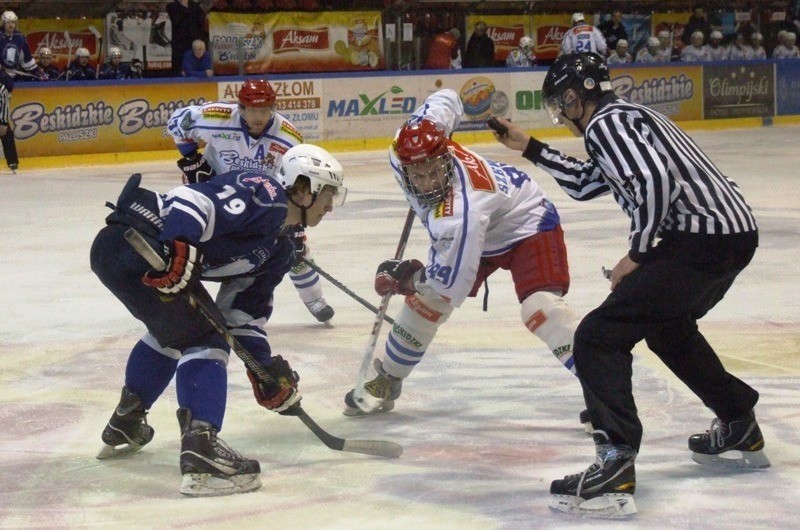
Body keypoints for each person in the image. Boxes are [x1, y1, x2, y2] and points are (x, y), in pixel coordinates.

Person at [492, 52, 768, 518]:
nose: (563, 111)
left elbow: (655, 181)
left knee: (598, 337)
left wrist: (637, 254)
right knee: (667, 327)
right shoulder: (625, 120)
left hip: (701, 240)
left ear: (578, 95)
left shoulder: (607, 124)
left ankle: (615, 460)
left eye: (563, 102)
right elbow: (584, 182)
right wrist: (529, 147)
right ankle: (738, 419)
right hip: (728, 236)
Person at [91, 144, 347, 496]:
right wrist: (181, 246)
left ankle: (127, 420)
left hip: (132, 258)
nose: (331, 206)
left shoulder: (280, 249)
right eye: (328, 194)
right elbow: (191, 202)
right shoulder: (266, 193)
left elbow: (241, 317)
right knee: (205, 341)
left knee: (173, 331)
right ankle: (202, 452)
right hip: (137, 240)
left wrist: (266, 371)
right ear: (303, 189)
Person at [342, 89, 583, 421]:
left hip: (526, 223)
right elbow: (447, 98)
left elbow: (449, 286)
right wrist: (414, 285)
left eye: (435, 171)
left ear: (445, 159)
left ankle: (603, 388)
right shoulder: (405, 144)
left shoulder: (460, 214)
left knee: (540, 309)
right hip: (486, 225)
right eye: (419, 175)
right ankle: (388, 378)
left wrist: (406, 279)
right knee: (423, 305)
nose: (427, 183)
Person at [167, 79, 336, 323]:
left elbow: (295, 179)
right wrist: (192, 160)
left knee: (291, 247)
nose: (259, 117)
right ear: (241, 108)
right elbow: (177, 123)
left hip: (259, 203)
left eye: (265, 110)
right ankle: (182, 297)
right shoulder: (217, 117)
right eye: (253, 110)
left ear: (273, 108)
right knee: (198, 245)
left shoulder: (289, 138)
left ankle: (314, 299)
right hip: (217, 196)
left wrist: (295, 225)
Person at [167, 0, 207, 77]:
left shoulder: (196, 6)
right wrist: (185, 7)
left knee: (196, 70)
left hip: (195, 44)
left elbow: (201, 21)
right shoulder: (171, 6)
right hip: (180, 46)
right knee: (179, 72)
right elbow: (176, 20)